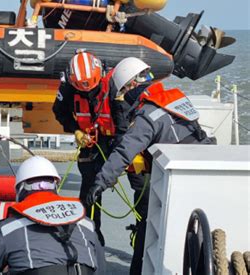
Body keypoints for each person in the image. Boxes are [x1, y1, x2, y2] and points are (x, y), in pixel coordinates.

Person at [87, 57, 216, 275]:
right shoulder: (174, 97)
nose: (124, 97)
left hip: (179, 182)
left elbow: (124, 151)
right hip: (204, 166)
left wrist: (99, 183)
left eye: (124, 91)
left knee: (147, 229)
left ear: (131, 86)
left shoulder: (147, 114)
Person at [52, 50, 147, 246]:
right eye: (82, 90)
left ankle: (143, 230)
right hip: (92, 141)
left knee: (140, 183)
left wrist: (118, 163)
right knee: (90, 187)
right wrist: (76, 131)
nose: (87, 93)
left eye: (91, 89)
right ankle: (90, 233)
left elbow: (125, 123)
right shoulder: (69, 86)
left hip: (123, 139)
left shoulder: (116, 84)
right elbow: (59, 112)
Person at [0, 156, 105, 274]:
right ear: (55, 186)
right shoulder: (86, 224)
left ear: (20, 190)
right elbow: (101, 267)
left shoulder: (10, 229)